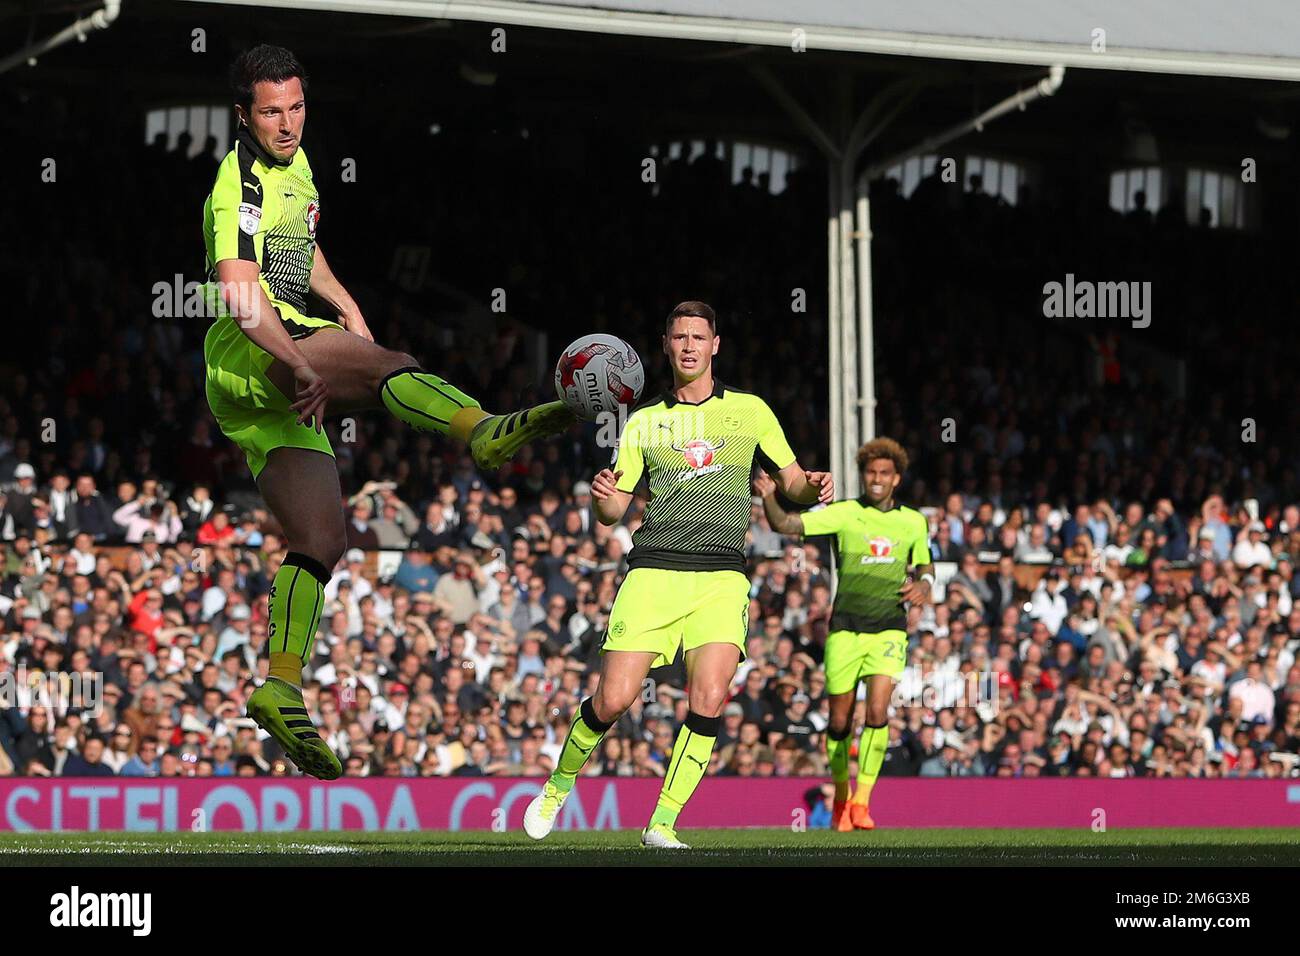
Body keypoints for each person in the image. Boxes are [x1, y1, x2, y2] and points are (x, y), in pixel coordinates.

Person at [201, 45, 573, 779]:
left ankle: (280, 685)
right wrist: (305, 359)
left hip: (262, 383)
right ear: (242, 114)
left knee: (322, 541)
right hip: (254, 351)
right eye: (270, 111)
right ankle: (485, 433)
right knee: (392, 370)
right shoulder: (235, 182)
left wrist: (345, 304)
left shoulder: (295, 167)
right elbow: (243, 297)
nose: (287, 123)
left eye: (297, 106)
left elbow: (297, 251)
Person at [523, 301, 832, 848]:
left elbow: (793, 484)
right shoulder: (643, 420)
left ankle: (661, 823)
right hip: (654, 575)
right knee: (614, 700)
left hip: (722, 577)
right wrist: (600, 500)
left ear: (716, 345)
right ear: (666, 346)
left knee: (708, 699)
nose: (689, 345)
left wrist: (813, 484)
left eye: (699, 336)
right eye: (679, 337)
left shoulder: (751, 412)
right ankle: (557, 785)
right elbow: (615, 510)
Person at [757, 436, 932, 830]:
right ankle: (840, 794)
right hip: (845, 630)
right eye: (870, 471)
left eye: (884, 473)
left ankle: (862, 803)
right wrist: (770, 496)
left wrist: (925, 585)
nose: (876, 478)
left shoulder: (913, 522)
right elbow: (787, 523)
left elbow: (925, 566)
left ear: (896, 479)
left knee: (877, 712)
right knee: (839, 722)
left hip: (889, 627)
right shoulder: (844, 513)